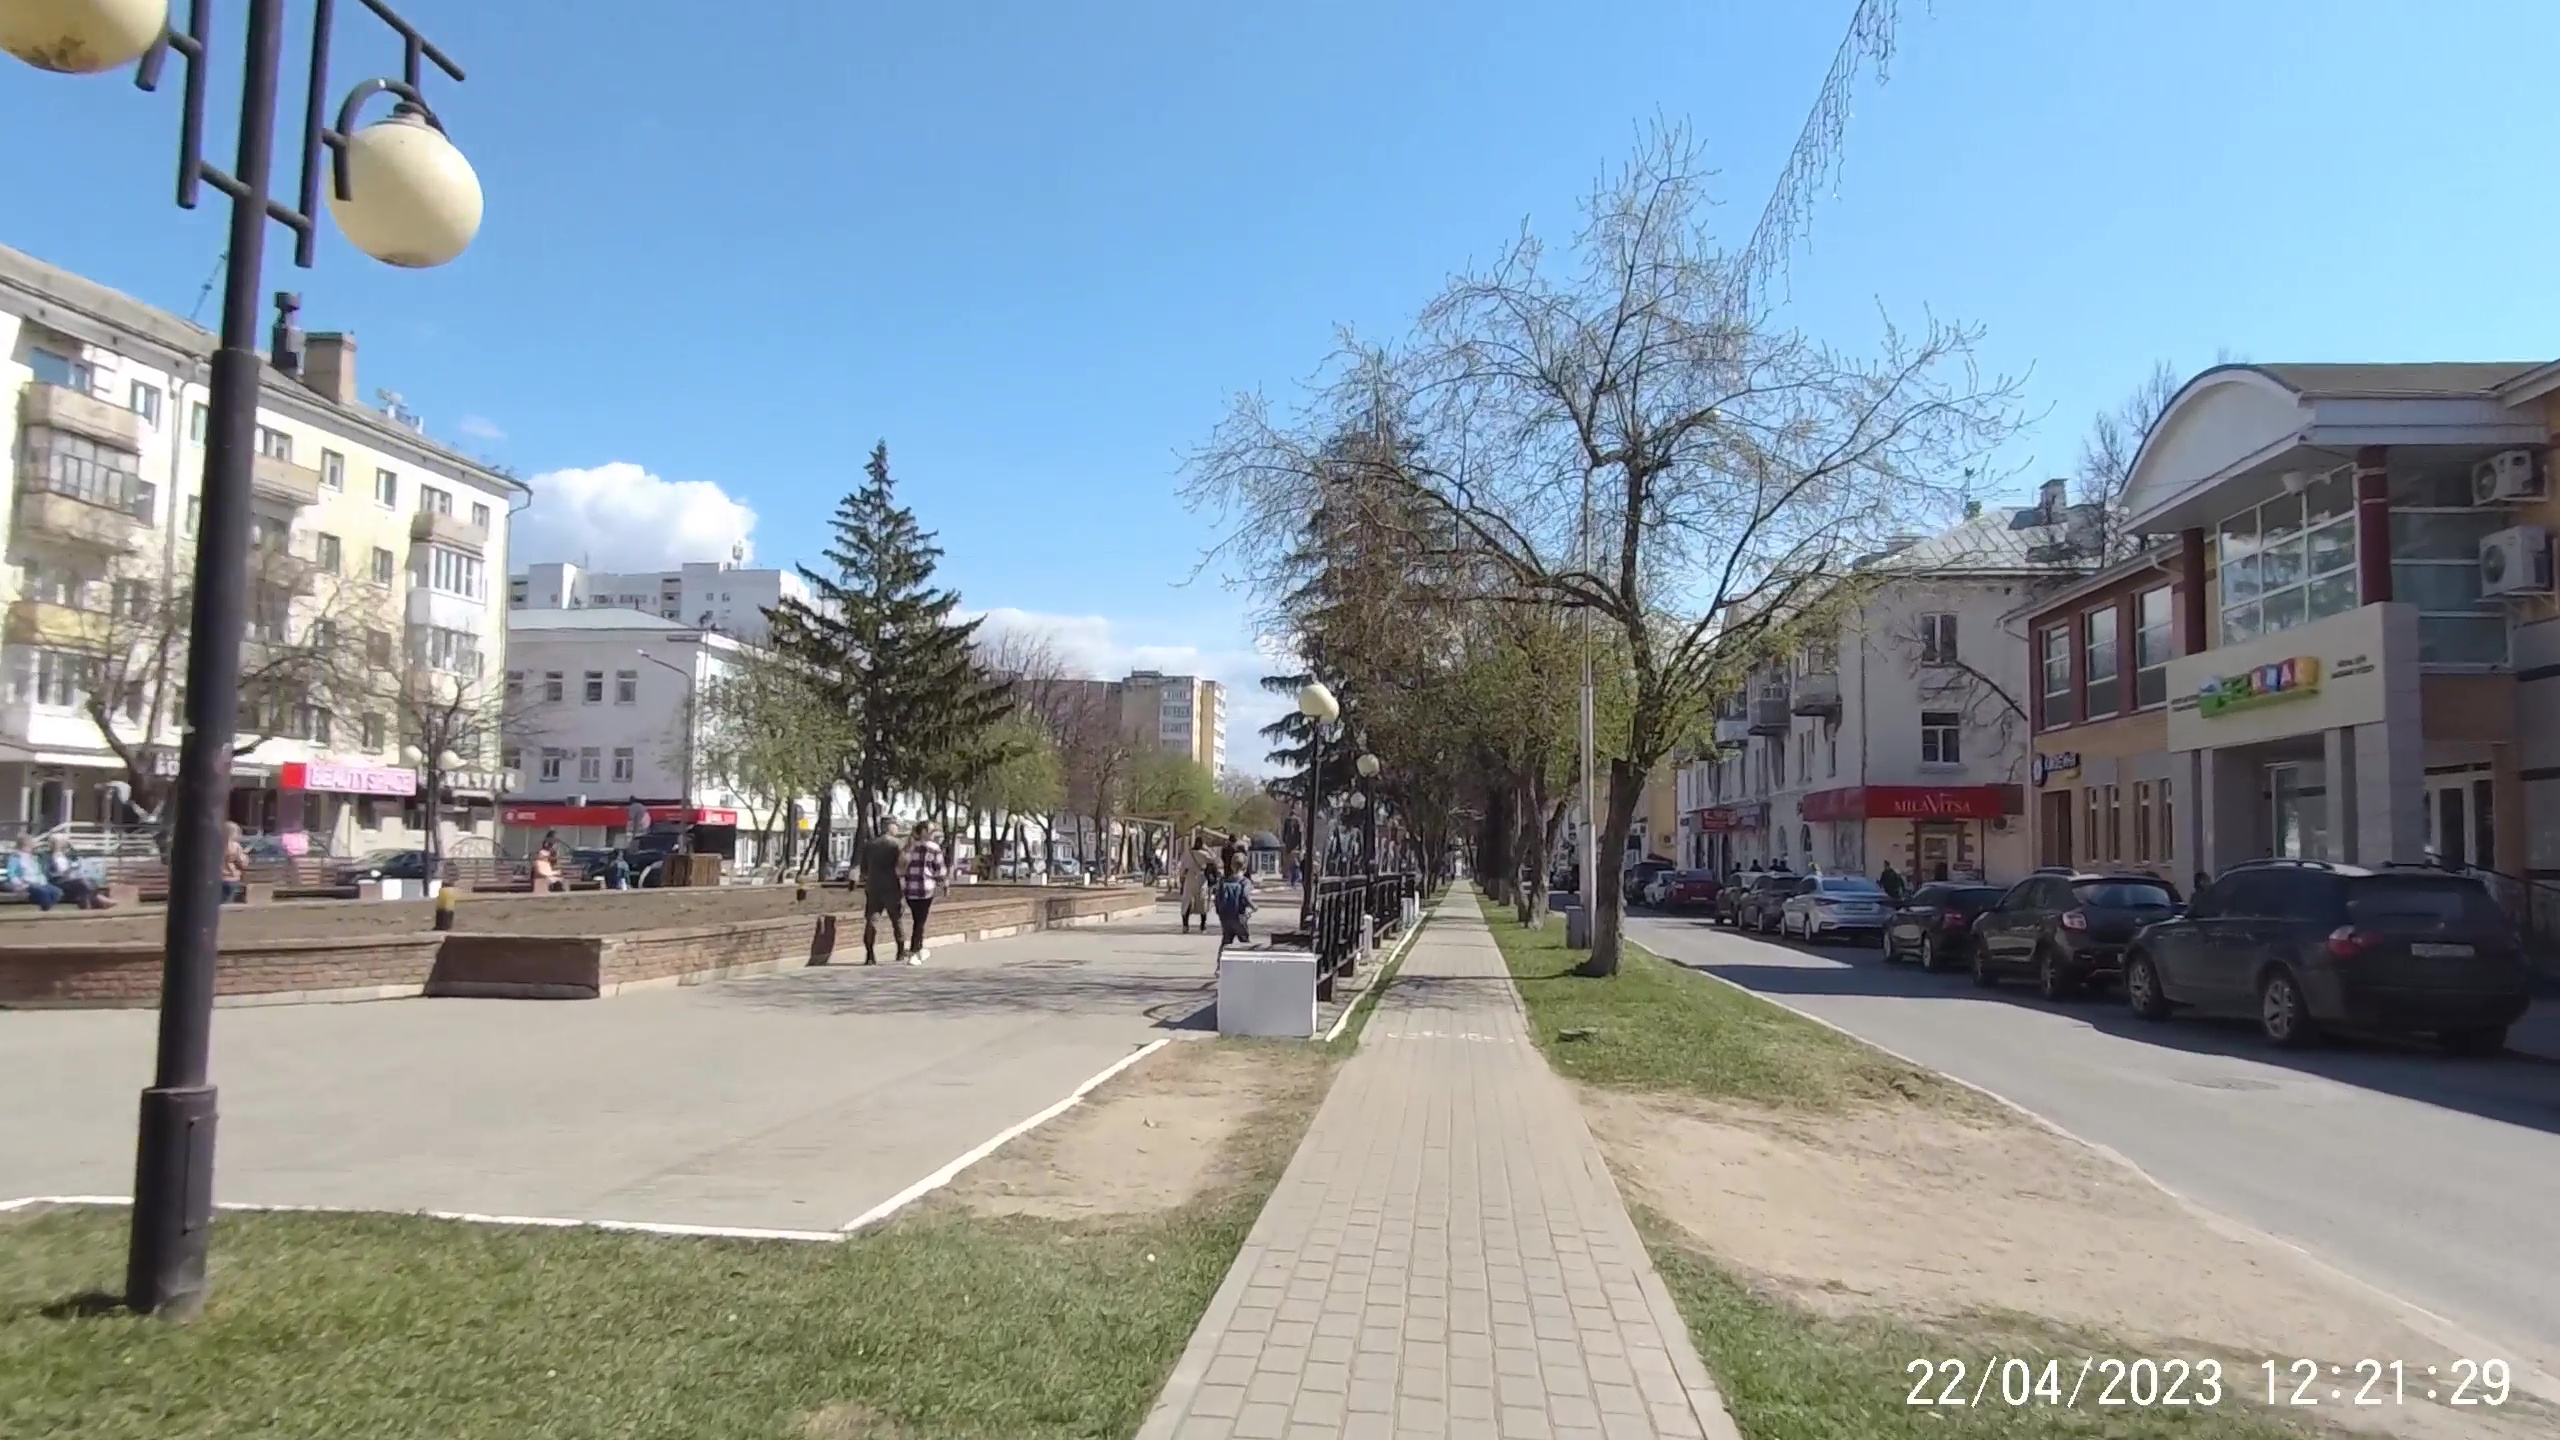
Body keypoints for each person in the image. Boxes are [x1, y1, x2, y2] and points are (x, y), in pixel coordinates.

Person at [858, 822, 907, 965]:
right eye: (896, 827)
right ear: (891, 828)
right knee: (897, 920)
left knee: (872, 919)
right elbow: (903, 866)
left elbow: (863, 869)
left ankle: (870, 955)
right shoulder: (898, 844)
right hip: (893, 886)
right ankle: (900, 952)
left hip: (874, 886)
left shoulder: (870, 845)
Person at [901, 820, 948, 965]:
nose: (934, 833)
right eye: (931, 831)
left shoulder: (908, 846)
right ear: (923, 832)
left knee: (918, 919)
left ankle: (919, 948)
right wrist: (945, 885)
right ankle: (914, 951)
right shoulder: (933, 847)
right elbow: (940, 869)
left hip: (909, 889)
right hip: (925, 888)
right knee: (920, 922)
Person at [45, 834, 110, 909]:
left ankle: (90, 902)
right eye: (61, 842)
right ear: (54, 844)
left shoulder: (67, 856)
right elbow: (49, 872)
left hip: (71, 879)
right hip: (59, 881)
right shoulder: (47, 856)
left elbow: (74, 866)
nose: (64, 845)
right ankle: (93, 902)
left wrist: (72, 871)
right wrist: (64, 874)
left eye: (64, 843)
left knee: (89, 880)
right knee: (83, 882)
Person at [5, 834, 62, 911]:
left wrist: (42, 881)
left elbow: (38, 872)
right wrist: (20, 884)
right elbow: (12, 874)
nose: (32, 847)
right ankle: (44, 910)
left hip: (39, 882)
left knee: (57, 892)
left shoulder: (33, 858)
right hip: (26, 884)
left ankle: (46, 909)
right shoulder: (15, 858)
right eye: (30, 845)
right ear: (23, 846)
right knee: (44, 893)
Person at [1214, 855, 1256, 949]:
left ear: (1231, 866)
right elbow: (1245, 896)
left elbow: (1217, 898)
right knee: (1244, 941)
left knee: (1226, 940)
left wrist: (1219, 911)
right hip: (1239, 916)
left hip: (1225, 916)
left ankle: (1221, 957)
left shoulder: (1224, 881)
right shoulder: (1245, 882)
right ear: (1245, 867)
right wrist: (1253, 906)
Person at [1177, 833, 1212, 934]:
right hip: (1201, 879)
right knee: (1202, 901)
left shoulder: (1187, 854)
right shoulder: (1204, 854)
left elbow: (1182, 867)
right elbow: (1215, 860)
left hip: (1189, 878)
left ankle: (1185, 925)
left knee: (1187, 902)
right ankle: (1203, 926)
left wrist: (1181, 879)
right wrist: (1208, 849)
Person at [221, 822, 249, 904]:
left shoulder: (215, 845)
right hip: (231, 878)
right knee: (228, 903)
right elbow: (243, 863)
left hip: (217, 878)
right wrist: (245, 856)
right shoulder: (235, 846)